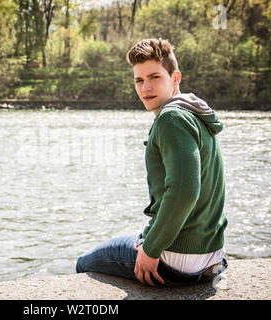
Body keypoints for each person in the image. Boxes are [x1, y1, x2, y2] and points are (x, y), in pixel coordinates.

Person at [75, 38, 228, 287]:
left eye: (155, 77)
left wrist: (152, 248)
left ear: (175, 78)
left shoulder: (171, 118)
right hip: (210, 254)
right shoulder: (195, 114)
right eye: (139, 80)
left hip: (177, 258)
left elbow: (184, 192)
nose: (146, 87)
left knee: (85, 262)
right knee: (130, 238)